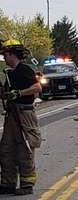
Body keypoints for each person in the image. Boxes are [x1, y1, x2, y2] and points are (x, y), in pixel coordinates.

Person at [0, 39, 42, 195]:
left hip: (25, 114)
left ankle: (27, 185)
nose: (4, 58)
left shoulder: (25, 70)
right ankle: (7, 183)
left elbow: (37, 87)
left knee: (25, 149)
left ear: (12, 55)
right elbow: (4, 95)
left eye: (5, 54)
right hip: (11, 115)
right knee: (6, 149)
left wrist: (19, 93)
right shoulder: (10, 73)